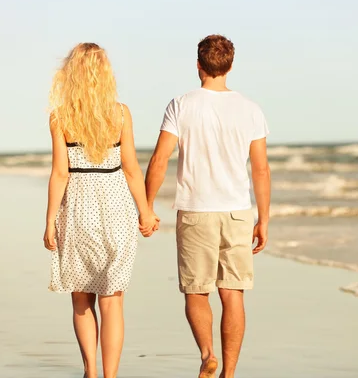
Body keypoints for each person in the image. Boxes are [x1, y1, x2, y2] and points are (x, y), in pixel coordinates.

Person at [145, 34, 271, 378]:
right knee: (233, 293)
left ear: (199, 65)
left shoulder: (181, 104)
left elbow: (160, 159)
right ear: (230, 66)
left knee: (196, 291)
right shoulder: (250, 108)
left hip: (196, 210)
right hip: (238, 211)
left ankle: (206, 355)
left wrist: (147, 204)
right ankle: (229, 373)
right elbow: (260, 168)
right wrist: (264, 219)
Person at [42, 43, 157, 378]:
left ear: (71, 74)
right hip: (116, 208)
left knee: (81, 299)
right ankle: (110, 376)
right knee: (113, 299)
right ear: (106, 73)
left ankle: (90, 371)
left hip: (78, 210)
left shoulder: (60, 117)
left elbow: (60, 173)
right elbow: (132, 168)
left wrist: (50, 221)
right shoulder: (120, 113)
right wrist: (145, 212)